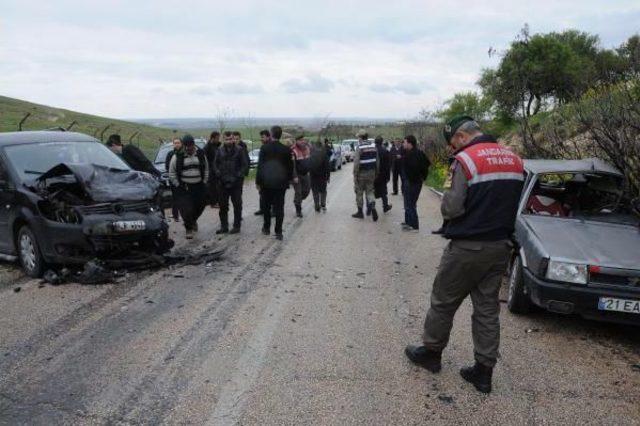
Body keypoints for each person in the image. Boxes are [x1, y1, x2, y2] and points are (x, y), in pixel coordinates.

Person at [405, 116, 524, 394]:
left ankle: (431, 353)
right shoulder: (514, 159)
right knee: (486, 310)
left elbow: (451, 208)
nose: (452, 148)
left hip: (468, 247)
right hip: (499, 247)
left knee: (443, 301)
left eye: (452, 142)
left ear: (460, 136)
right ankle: (483, 372)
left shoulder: (465, 160)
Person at [256, 125, 294, 240]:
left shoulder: (264, 148)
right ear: (281, 135)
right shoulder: (286, 150)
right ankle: (278, 231)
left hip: (266, 183)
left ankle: (266, 228)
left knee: (266, 206)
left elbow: (260, 166)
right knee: (279, 207)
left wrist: (258, 182)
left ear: (271, 134)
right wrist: (288, 179)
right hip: (280, 184)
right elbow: (290, 167)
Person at [168, 134, 208, 239]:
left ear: (193, 144)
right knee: (186, 209)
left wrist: (204, 181)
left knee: (200, 206)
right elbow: (172, 173)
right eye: (186, 146)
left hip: (199, 185)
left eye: (190, 145)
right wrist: (178, 185)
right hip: (185, 187)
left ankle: (193, 220)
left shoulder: (200, 154)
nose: (188, 148)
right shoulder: (177, 156)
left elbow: (207, 169)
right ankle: (188, 229)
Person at [213, 132, 248, 234]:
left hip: (235, 183)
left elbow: (244, 165)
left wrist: (238, 176)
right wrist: (218, 174)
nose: (228, 141)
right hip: (222, 183)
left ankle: (236, 226)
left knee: (237, 205)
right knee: (223, 206)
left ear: (233, 139)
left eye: (230, 139)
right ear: (223, 139)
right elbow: (215, 164)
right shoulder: (219, 150)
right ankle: (224, 226)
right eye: (226, 139)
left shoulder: (240, 150)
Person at [400, 135, 430, 231]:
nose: (403, 144)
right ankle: (408, 222)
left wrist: (417, 178)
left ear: (409, 143)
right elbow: (427, 164)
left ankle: (414, 225)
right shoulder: (416, 152)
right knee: (408, 203)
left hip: (412, 183)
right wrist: (423, 177)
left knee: (410, 204)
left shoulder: (412, 154)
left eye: (404, 142)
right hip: (414, 182)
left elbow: (422, 166)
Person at [351, 130, 379, 221]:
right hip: (371, 173)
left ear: (360, 137)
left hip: (361, 174)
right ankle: (372, 206)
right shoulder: (374, 146)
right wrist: (376, 172)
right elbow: (378, 161)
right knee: (370, 192)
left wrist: (355, 175)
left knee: (359, 192)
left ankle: (360, 212)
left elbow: (356, 163)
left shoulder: (359, 147)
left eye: (358, 137)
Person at [291, 135, 312, 218]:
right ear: (296, 141)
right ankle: (298, 210)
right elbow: (292, 165)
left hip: (306, 174)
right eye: (300, 140)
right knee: (298, 192)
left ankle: (297, 200)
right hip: (297, 175)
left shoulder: (307, 148)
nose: (302, 141)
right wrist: (294, 176)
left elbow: (309, 160)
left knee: (306, 191)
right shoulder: (293, 150)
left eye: (303, 140)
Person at [254, 129, 272, 216]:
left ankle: (273, 210)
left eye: (263, 137)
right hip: (263, 175)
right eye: (261, 137)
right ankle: (262, 209)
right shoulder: (263, 147)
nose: (261, 139)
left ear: (268, 137)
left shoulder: (270, 147)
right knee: (262, 192)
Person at [309, 140, 330, 212]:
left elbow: (309, 165)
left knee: (315, 191)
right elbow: (327, 166)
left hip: (313, 176)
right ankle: (323, 204)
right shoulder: (324, 154)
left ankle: (317, 205)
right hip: (323, 176)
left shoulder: (311, 154)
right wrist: (328, 176)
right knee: (323, 191)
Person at [165, 137, 183, 221]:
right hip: (173, 179)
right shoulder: (170, 154)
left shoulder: (184, 153)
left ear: (181, 143)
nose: (177, 144)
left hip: (183, 179)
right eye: (175, 143)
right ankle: (176, 215)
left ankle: (185, 215)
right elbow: (167, 167)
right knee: (175, 197)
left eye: (178, 142)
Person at [374, 136, 392, 213]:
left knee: (371, 191)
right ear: (382, 142)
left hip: (373, 175)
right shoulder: (385, 151)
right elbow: (388, 166)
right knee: (383, 192)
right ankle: (385, 206)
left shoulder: (372, 150)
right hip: (382, 175)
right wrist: (388, 176)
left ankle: (370, 208)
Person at [204, 131, 221, 208]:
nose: (218, 139)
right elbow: (205, 160)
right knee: (212, 187)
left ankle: (218, 201)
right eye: (217, 138)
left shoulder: (216, 146)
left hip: (216, 169)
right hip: (211, 170)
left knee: (218, 186)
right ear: (212, 138)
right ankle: (213, 203)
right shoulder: (207, 147)